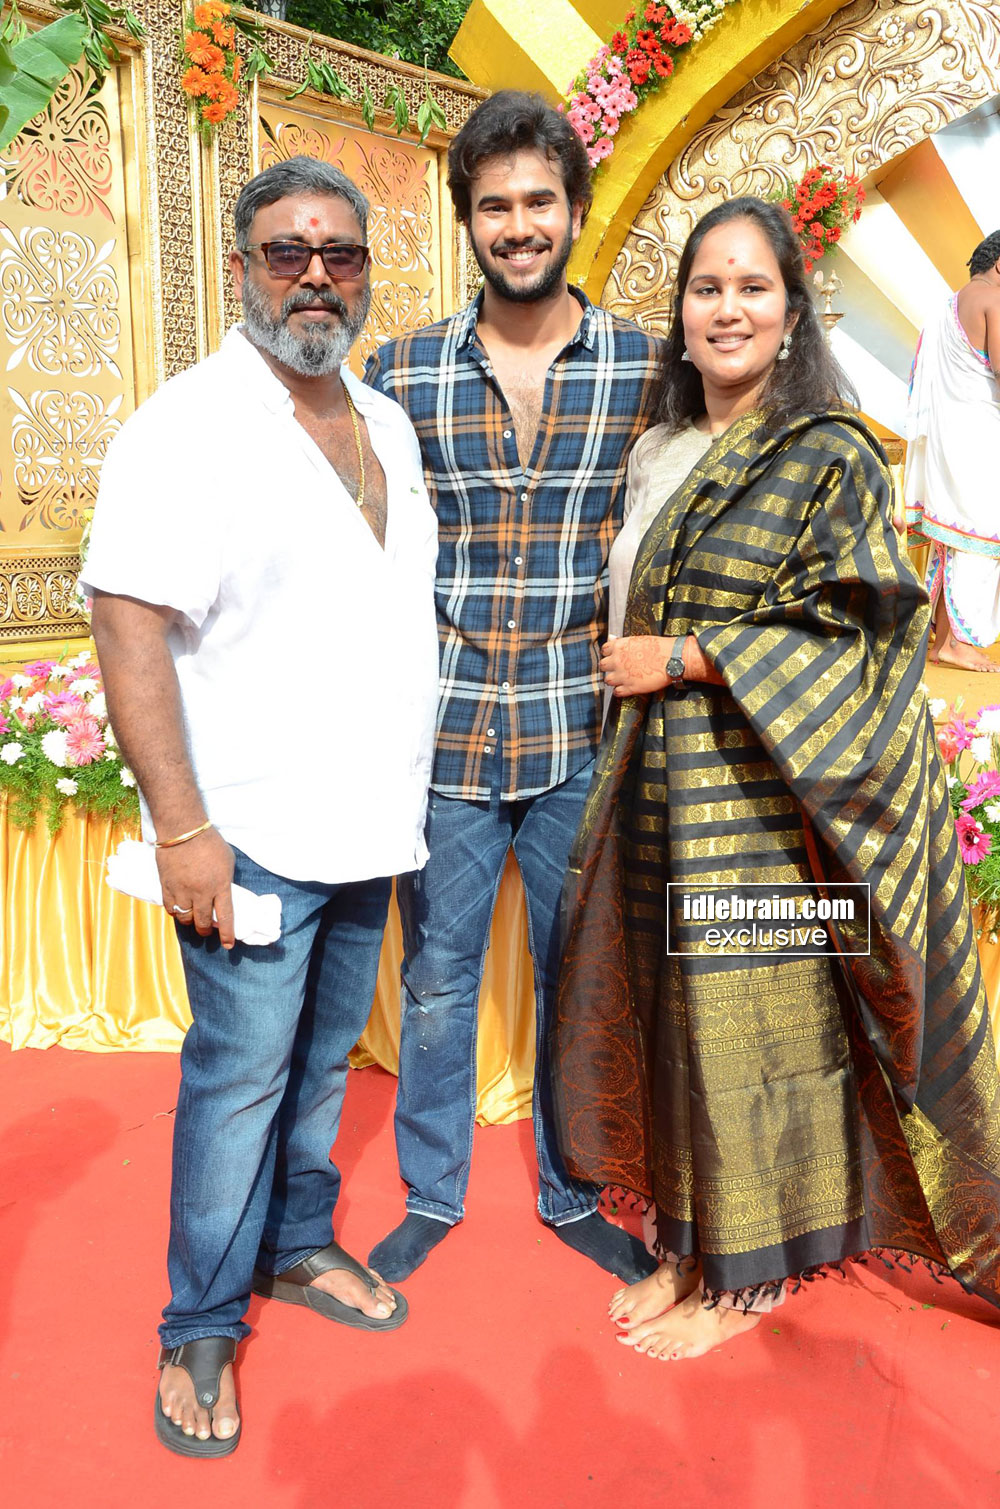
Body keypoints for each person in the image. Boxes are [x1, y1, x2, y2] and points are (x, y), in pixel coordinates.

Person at [552, 197, 1000, 1362]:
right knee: (674, 1019)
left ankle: (747, 1279)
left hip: (766, 801)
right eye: (706, 287)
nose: (727, 308)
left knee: (754, 1036)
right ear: (681, 311)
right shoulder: (658, 447)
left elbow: (865, 627)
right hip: (655, 789)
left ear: (792, 311)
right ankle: (688, 1243)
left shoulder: (828, 451)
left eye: (752, 287)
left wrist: (690, 658)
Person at [85, 156, 440, 1455]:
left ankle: (295, 1241)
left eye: (339, 254)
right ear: (242, 268)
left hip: (369, 823)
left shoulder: (384, 420)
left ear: (365, 271)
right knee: (239, 1080)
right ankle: (199, 1322)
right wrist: (183, 830)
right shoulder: (188, 427)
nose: (315, 276)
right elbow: (126, 620)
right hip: (245, 836)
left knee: (321, 1062)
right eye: (288, 252)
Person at [363, 90, 661, 1284]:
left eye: (540, 201)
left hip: (580, 732)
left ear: (575, 211)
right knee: (436, 981)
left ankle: (571, 1188)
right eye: (495, 206)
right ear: (467, 222)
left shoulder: (644, 365)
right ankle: (431, 1192)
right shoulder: (402, 371)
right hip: (442, 732)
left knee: (575, 976)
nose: (519, 225)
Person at [904, 229, 1000, 670]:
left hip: (948, 436)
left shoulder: (948, 305)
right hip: (979, 435)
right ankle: (958, 643)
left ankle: (940, 639)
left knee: (957, 537)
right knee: (981, 537)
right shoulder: (993, 298)